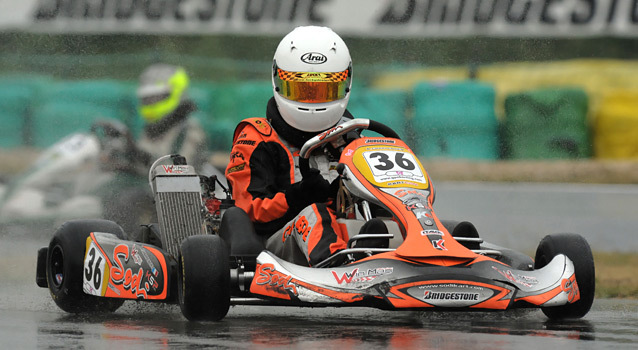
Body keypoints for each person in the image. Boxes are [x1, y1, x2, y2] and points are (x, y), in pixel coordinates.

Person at [225, 26, 385, 267]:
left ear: (345, 84)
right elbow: (251, 212)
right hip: (276, 247)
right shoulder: (258, 138)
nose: (313, 102)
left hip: (347, 233)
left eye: (324, 90)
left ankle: (434, 252)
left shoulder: (353, 140)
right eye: (302, 90)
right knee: (314, 214)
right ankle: (337, 264)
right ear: (279, 81)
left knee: (388, 224)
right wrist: (298, 196)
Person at [133, 63, 208, 173]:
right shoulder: (153, 128)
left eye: (155, 98)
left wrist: (142, 158)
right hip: (145, 186)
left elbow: (178, 172)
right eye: (146, 99)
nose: (150, 103)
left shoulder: (189, 130)